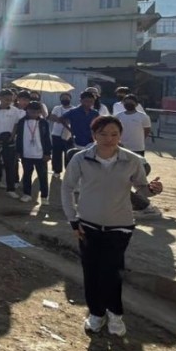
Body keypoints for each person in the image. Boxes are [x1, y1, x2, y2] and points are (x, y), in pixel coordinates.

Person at [61, 116, 163, 336]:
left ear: (121, 135)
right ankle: (96, 314)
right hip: (87, 225)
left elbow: (142, 190)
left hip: (120, 226)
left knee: (111, 272)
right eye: (103, 134)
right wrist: (73, 219)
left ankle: (115, 315)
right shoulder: (81, 159)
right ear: (94, 135)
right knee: (92, 272)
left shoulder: (132, 160)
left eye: (114, 134)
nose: (109, 139)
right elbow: (66, 188)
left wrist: (154, 189)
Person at [0, 89, 24, 198]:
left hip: (9, 141)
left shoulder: (15, 111)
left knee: (10, 166)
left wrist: (11, 138)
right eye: (6, 99)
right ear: (0, 98)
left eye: (11, 100)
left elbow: (16, 126)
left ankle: (10, 189)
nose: (9, 102)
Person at [15, 101, 51, 205]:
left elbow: (47, 139)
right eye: (31, 112)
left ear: (40, 112)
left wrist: (48, 153)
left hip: (40, 154)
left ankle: (44, 196)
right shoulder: (22, 122)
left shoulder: (44, 123)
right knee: (26, 175)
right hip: (26, 154)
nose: (34, 114)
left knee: (43, 176)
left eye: (36, 112)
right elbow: (19, 138)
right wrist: (18, 151)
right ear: (27, 111)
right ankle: (27, 194)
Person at [48, 92, 75, 176]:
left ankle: (68, 171)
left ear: (70, 99)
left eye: (67, 98)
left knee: (69, 153)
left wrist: (60, 119)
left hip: (69, 135)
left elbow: (73, 120)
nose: (65, 99)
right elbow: (52, 117)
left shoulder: (74, 109)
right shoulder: (57, 108)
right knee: (56, 153)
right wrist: (62, 120)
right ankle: (57, 170)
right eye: (63, 98)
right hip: (56, 134)